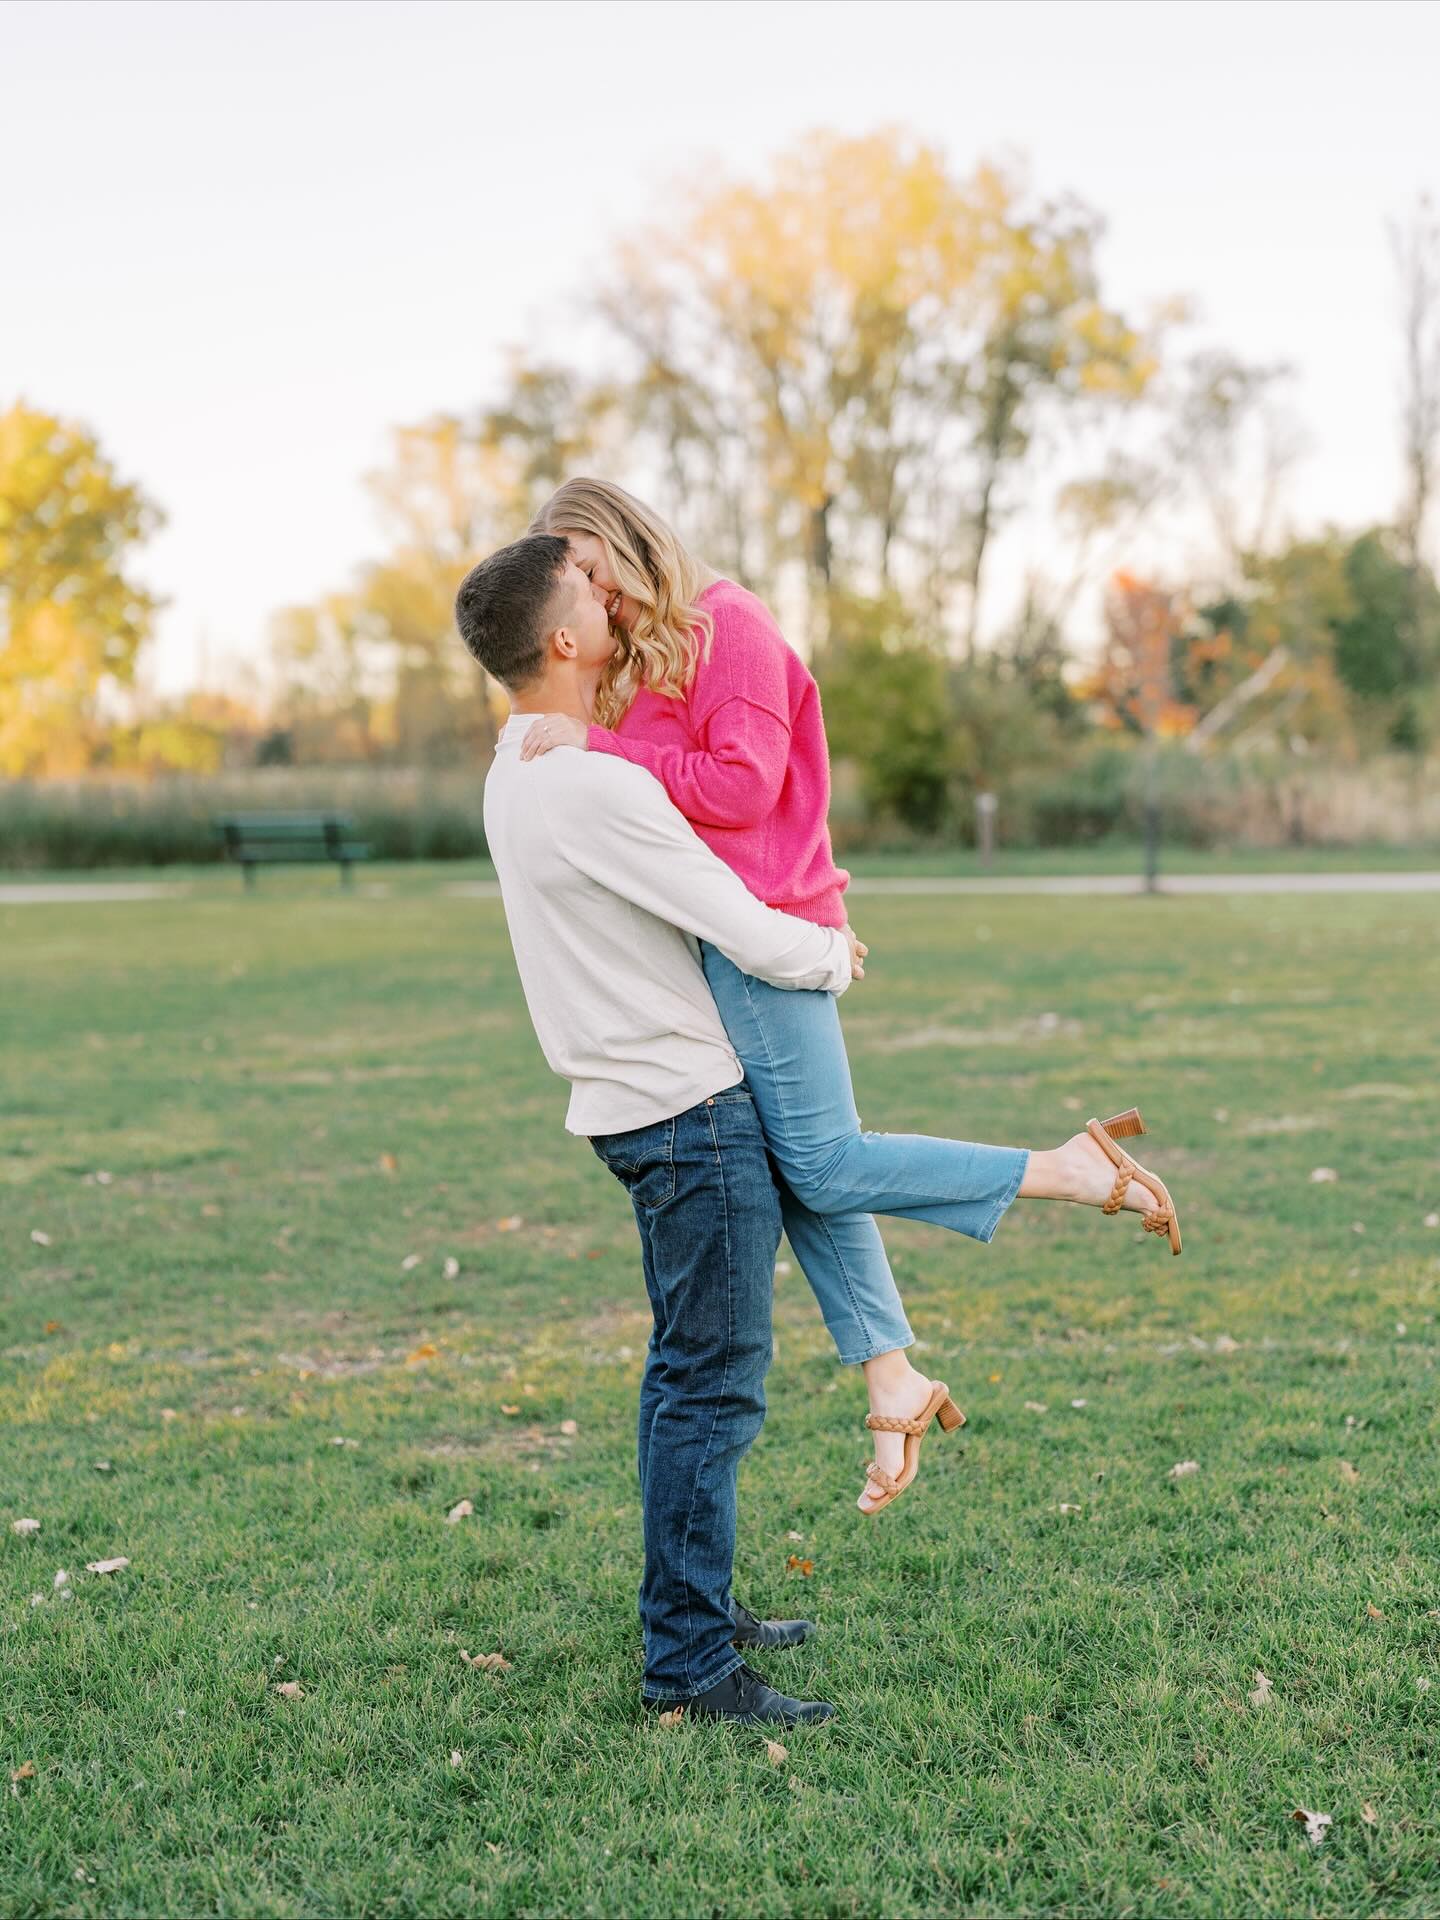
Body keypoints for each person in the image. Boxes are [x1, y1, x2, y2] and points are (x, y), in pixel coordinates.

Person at [521, 478, 1182, 1513]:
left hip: (770, 932)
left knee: (824, 1161)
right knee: (799, 1167)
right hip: (739, 932)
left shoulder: (729, 627)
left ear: (629, 541)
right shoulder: (664, 648)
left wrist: (600, 747)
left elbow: (743, 786)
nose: (597, 597)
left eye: (596, 572)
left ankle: (1068, 1169)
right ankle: (893, 1378)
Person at [460, 531, 849, 1726]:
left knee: (685, 1374)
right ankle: (689, 1664)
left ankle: (701, 1610)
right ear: (562, 639)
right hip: (690, 1115)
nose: (608, 590)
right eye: (585, 587)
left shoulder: (515, 770)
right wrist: (832, 955)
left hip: (633, 1110)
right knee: (712, 1388)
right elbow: (735, 920)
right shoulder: (594, 784)